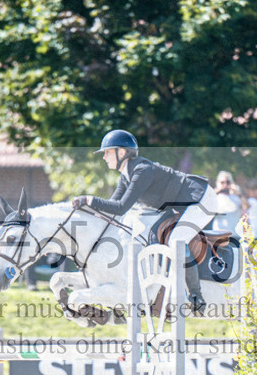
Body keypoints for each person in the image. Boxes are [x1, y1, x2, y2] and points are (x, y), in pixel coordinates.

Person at [71, 129, 218, 312]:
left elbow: (121, 207)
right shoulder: (127, 176)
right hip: (183, 205)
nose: (104, 157)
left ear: (122, 152)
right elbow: (113, 207)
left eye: (107, 152)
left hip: (202, 199)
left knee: (176, 240)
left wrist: (89, 199)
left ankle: (196, 295)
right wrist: (87, 209)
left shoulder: (142, 170)